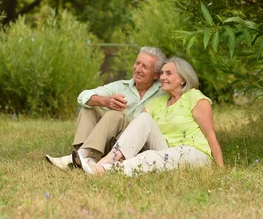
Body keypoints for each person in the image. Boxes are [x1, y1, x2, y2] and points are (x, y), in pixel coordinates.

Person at [79, 57, 224, 175]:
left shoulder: (195, 98)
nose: (162, 77)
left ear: (183, 79)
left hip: (193, 152)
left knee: (149, 157)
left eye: (168, 73)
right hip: (166, 149)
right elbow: (136, 131)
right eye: (161, 73)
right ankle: (104, 162)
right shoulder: (157, 103)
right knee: (143, 119)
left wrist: (221, 168)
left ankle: (103, 170)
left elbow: (211, 136)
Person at [45, 46, 167, 169]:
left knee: (116, 115)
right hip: (112, 146)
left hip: (137, 147)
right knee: (88, 106)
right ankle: (86, 157)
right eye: (137, 63)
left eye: (144, 66)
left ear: (156, 75)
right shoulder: (121, 86)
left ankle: (80, 157)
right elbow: (82, 96)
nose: (138, 69)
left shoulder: (164, 91)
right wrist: (105, 101)